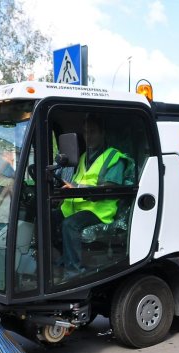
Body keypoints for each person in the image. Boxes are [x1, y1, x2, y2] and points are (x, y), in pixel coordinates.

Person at [54, 113, 127, 279]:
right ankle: (64, 260)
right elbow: (76, 181)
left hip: (99, 210)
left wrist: (78, 188)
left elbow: (110, 188)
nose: (88, 136)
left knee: (70, 225)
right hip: (78, 207)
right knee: (49, 218)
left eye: (93, 132)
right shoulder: (83, 157)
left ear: (102, 133)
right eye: (86, 132)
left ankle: (74, 272)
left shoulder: (114, 157)